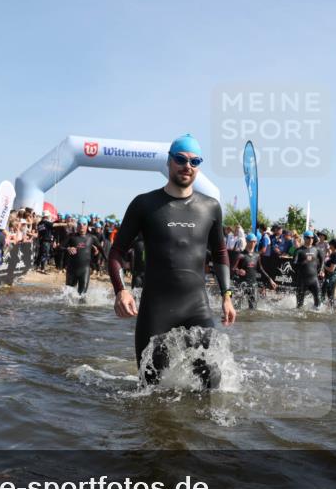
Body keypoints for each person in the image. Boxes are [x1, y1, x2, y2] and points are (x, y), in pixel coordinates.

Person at [108, 133, 236, 386]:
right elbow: (116, 252)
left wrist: (227, 296)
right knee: (149, 389)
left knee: (213, 383)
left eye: (194, 161)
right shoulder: (145, 204)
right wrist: (121, 291)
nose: (187, 166)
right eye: (181, 159)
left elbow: (221, 253)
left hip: (196, 307)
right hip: (156, 310)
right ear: (169, 162)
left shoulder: (210, 207)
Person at [232, 233, 277, 310]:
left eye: (254, 242)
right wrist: (238, 270)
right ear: (247, 241)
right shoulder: (241, 255)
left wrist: (270, 280)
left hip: (253, 285)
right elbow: (232, 269)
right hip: (242, 285)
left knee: (253, 309)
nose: (253, 243)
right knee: (237, 308)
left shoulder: (257, 255)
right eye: (251, 241)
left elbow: (261, 269)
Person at [65, 217, 101, 296]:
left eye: (84, 224)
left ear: (87, 226)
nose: (82, 226)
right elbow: (60, 247)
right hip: (72, 269)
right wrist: (68, 248)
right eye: (79, 224)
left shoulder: (92, 237)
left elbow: (101, 250)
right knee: (68, 296)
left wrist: (98, 253)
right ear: (77, 226)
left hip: (84, 270)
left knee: (82, 296)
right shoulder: (71, 236)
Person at [292, 231, 323, 309]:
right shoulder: (299, 251)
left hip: (314, 280)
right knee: (299, 305)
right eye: (308, 238)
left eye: (312, 238)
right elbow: (294, 264)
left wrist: (320, 270)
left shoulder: (317, 250)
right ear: (304, 238)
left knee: (318, 303)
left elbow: (322, 261)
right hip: (302, 280)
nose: (311, 239)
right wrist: (304, 262)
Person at [321, 239, 336, 307]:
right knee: (324, 290)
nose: (329, 246)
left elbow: (332, 269)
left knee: (330, 293)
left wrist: (324, 266)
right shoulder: (333, 254)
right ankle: (322, 306)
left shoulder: (335, 255)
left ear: (332, 245)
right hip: (329, 276)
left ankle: (332, 309)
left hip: (333, 276)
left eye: (329, 244)